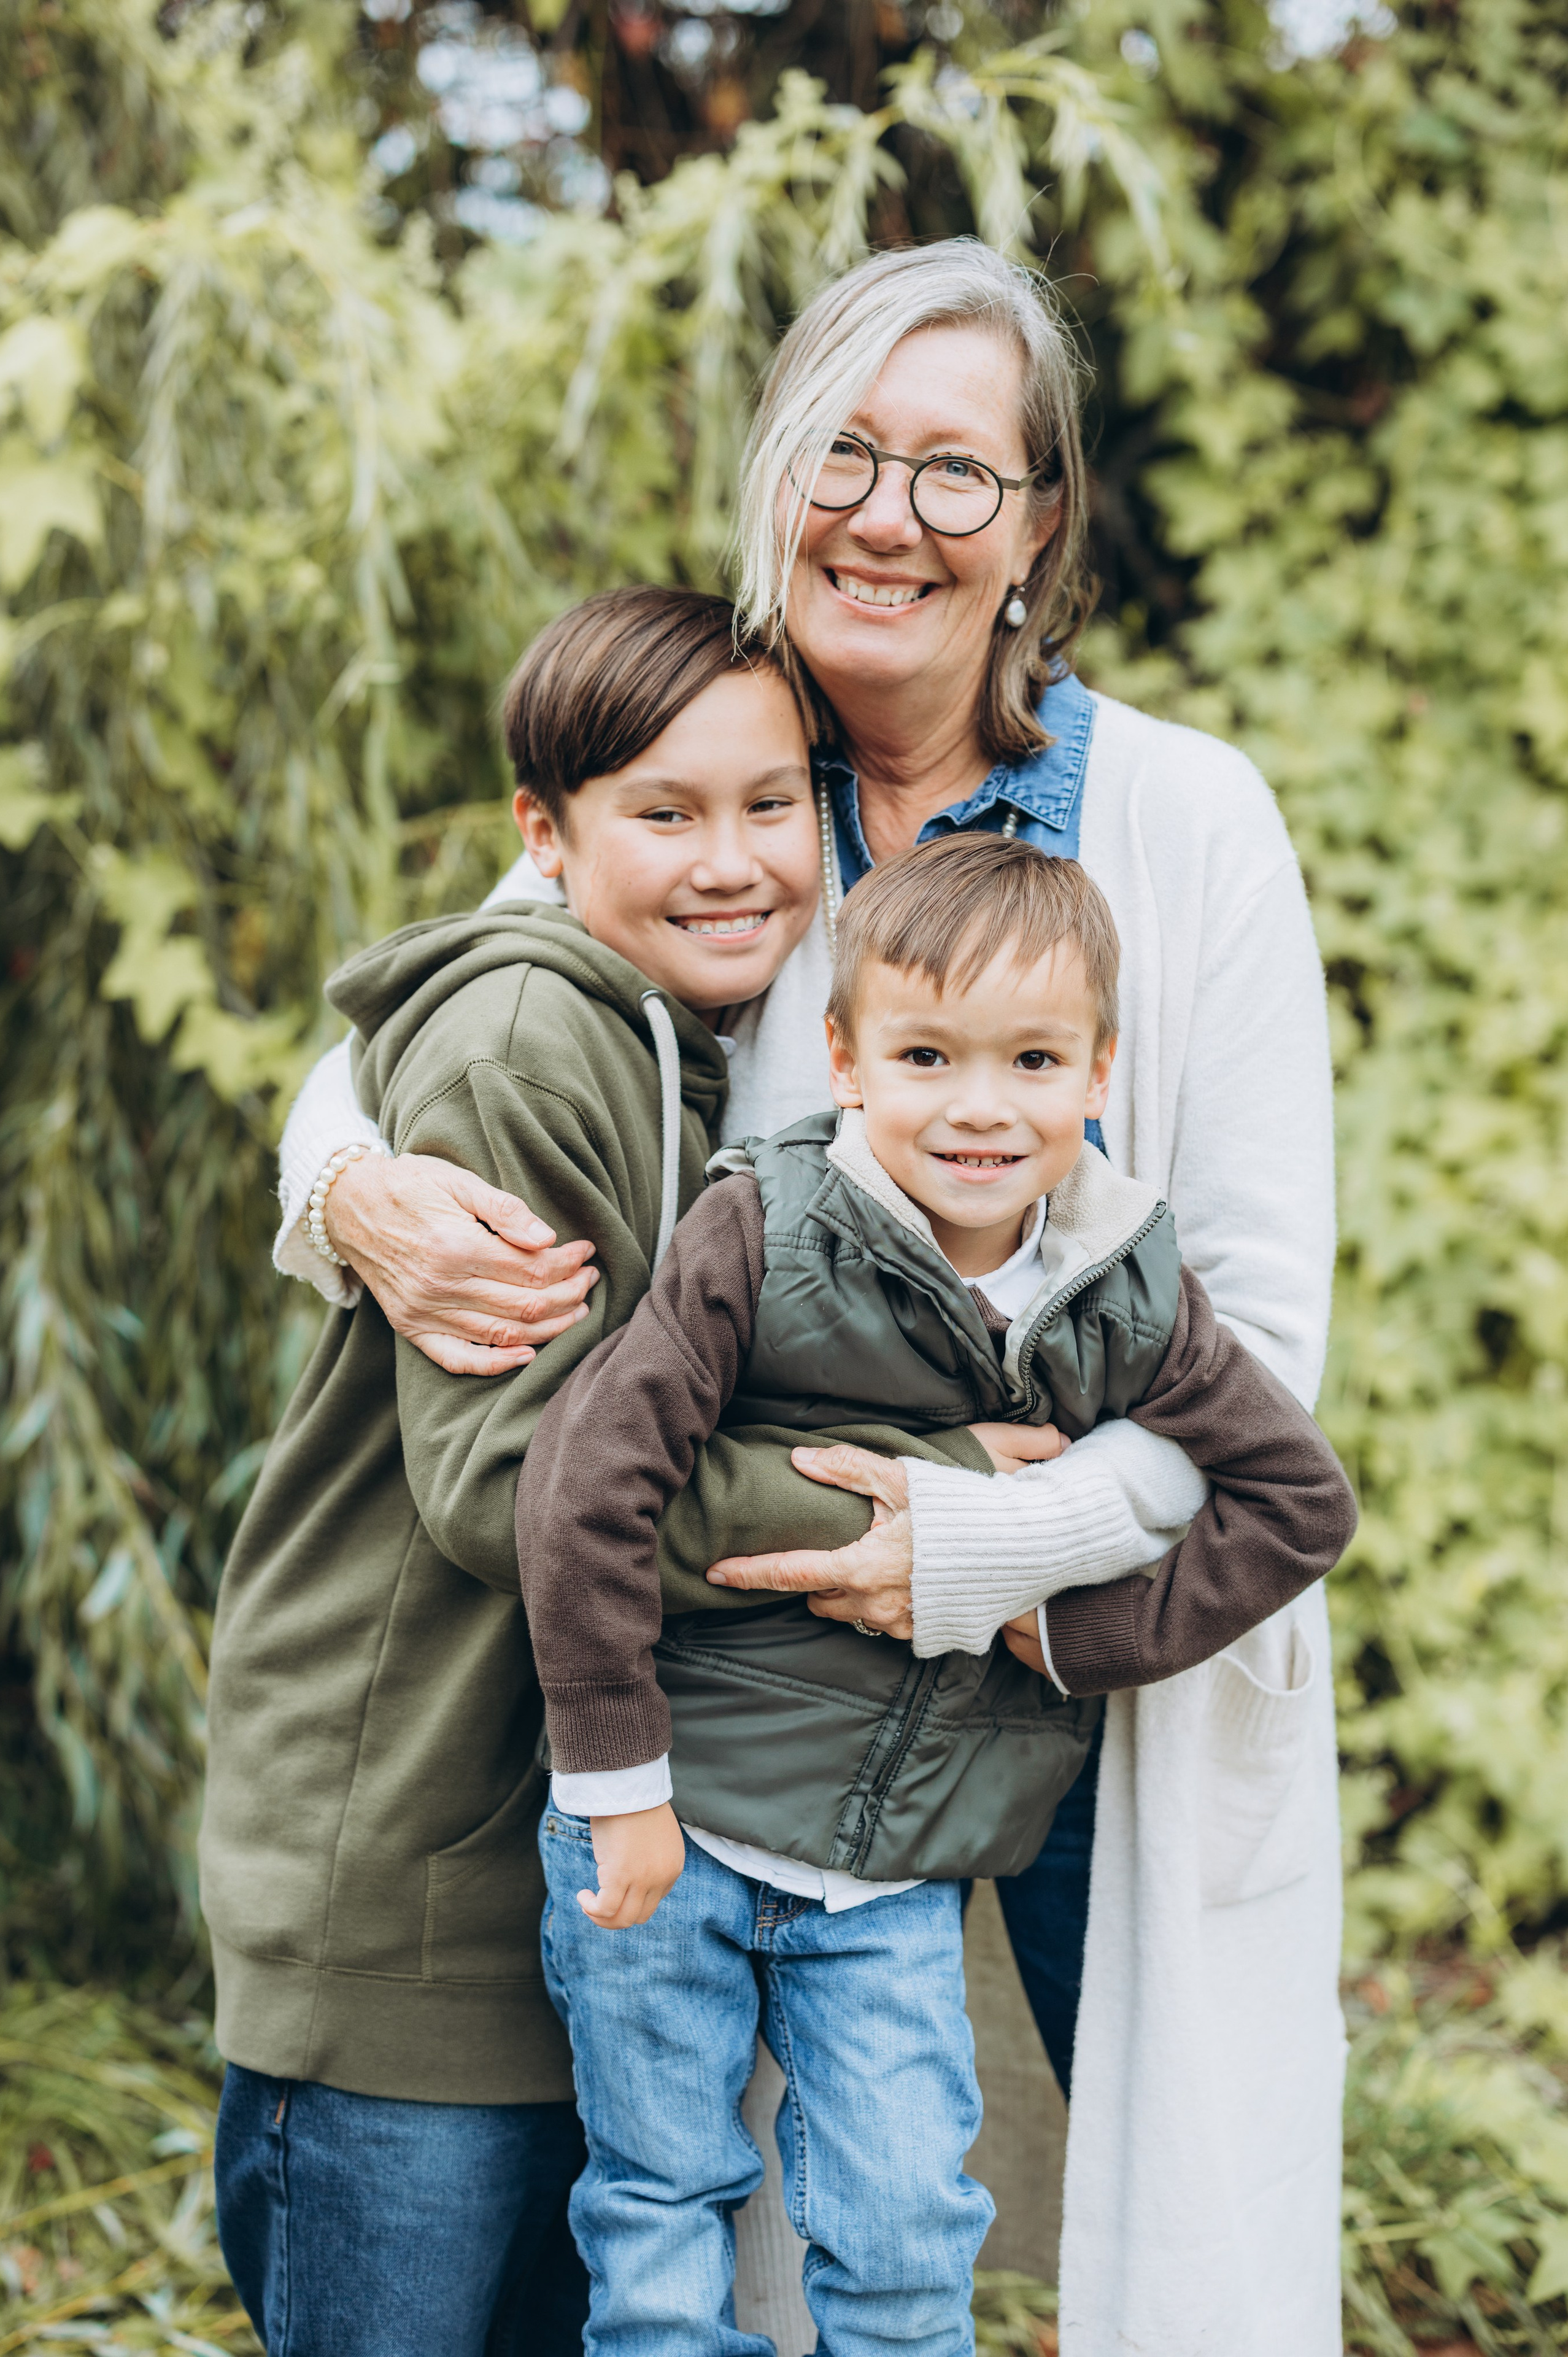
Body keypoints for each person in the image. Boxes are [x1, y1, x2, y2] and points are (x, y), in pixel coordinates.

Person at [272, 240, 1343, 2356]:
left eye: (960, 472)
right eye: (843, 452)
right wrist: (345, 1182)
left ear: (1041, 526)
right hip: (767, 1704)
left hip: (1089, 1646)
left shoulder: (1188, 825)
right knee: (777, 2247)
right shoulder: (723, 781)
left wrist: (972, 1547)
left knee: (1146, 2261)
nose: (891, 513)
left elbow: (1260, 1348)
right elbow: (442, 1018)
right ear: (778, 481)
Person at [205, 587, 992, 2357]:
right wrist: (927, 1514)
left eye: (774, 803)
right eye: (665, 811)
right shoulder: (528, 1046)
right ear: (540, 839)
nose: (735, 862)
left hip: (581, 1892)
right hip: (411, 1888)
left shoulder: (689, 1059)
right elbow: (519, 1488)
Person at [515, 834, 1355, 2356]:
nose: (979, 1105)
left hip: (894, 1878)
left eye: (1031, 1057)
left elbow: (1297, 1502)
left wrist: (1054, 1627)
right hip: (671, 1820)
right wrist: (613, 1776)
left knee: (906, 2238)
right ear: (841, 1059)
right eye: (924, 1054)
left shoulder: (1126, 1290)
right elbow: (585, 1486)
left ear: (1098, 1067)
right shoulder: (760, 1234)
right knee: (657, 2214)